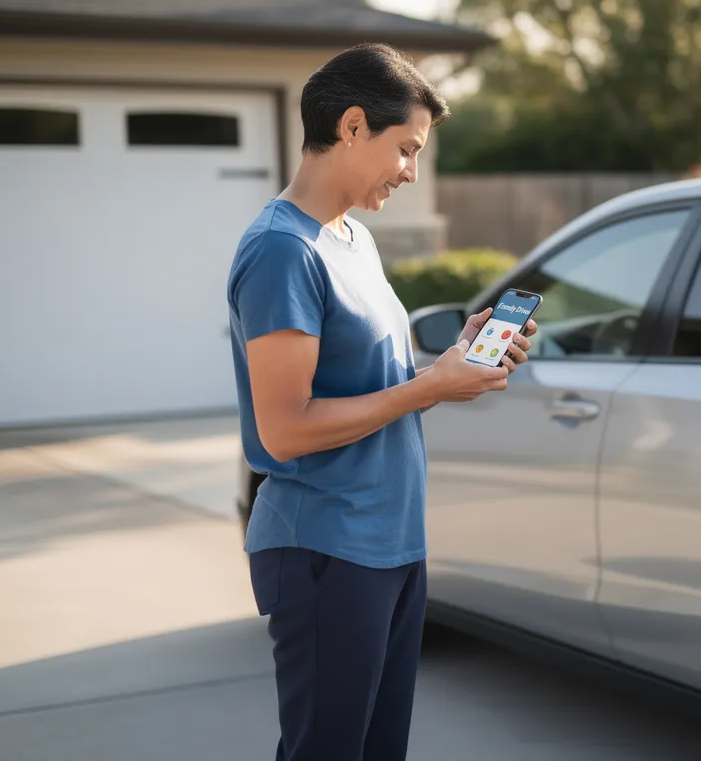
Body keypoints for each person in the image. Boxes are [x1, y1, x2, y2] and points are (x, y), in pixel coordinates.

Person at [225, 43, 537, 761]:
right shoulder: (281, 251)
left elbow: (371, 383)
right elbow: (285, 430)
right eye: (407, 149)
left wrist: (448, 364)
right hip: (325, 546)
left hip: (391, 540)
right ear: (354, 126)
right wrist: (432, 386)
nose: (412, 171)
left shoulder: (351, 239)